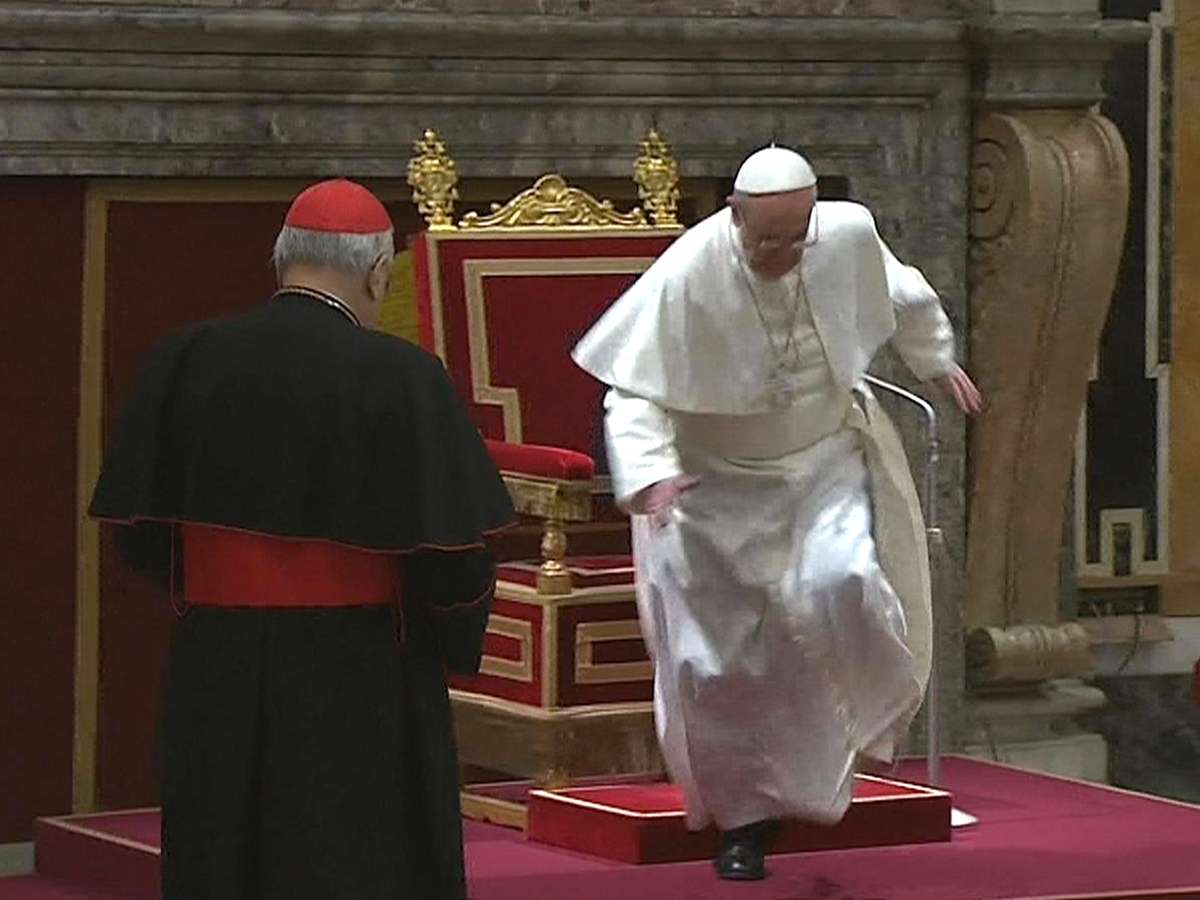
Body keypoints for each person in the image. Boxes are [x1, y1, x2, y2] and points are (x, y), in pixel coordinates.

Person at [89, 178, 515, 899]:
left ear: (282, 258)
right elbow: (456, 562)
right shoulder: (403, 376)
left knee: (225, 854)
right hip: (360, 669)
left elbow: (137, 534)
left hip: (216, 664)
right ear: (376, 274)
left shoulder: (184, 359)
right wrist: (447, 637)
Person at [572, 146, 982, 881]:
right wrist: (650, 474)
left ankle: (849, 749)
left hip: (821, 462)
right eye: (767, 239)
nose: (784, 253)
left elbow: (906, 294)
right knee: (721, 666)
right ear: (734, 216)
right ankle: (743, 824)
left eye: (797, 237)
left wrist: (936, 359)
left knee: (842, 583)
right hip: (709, 487)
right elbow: (633, 390)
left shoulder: (846, 234)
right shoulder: (692, 268)